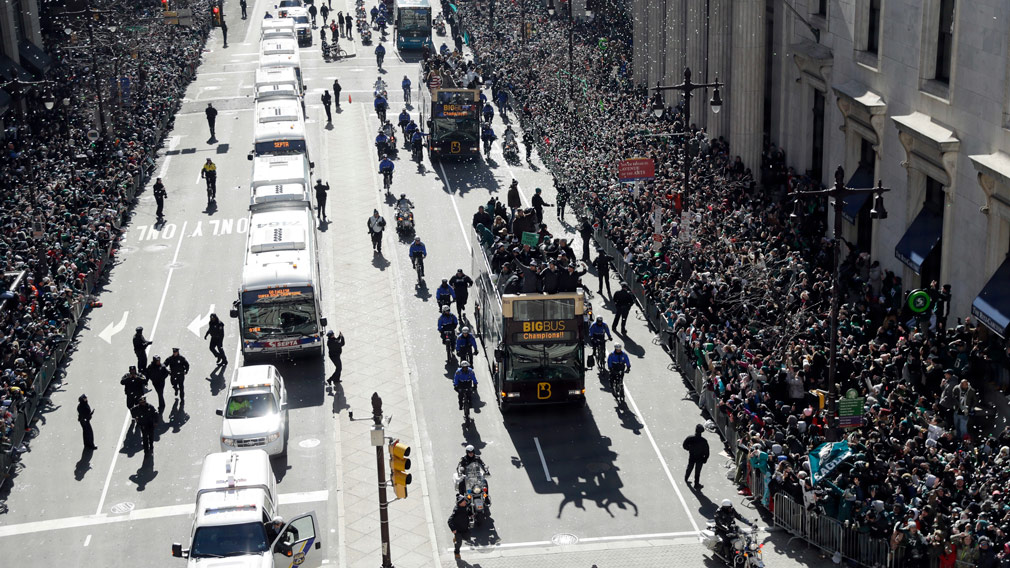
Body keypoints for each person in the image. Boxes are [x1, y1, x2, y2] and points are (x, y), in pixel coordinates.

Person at [448, 495, 470, 560]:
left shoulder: (465, 506)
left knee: (467, 537)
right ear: (460, 503)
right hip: (458, 530)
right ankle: (456, 552)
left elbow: (468, 512)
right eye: (463, 501)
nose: (465, 502)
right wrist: (453, 529)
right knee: (459, 543)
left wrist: (471, 514)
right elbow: (449, 520)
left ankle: (456, 538)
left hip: (465, 528)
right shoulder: (456, 510)